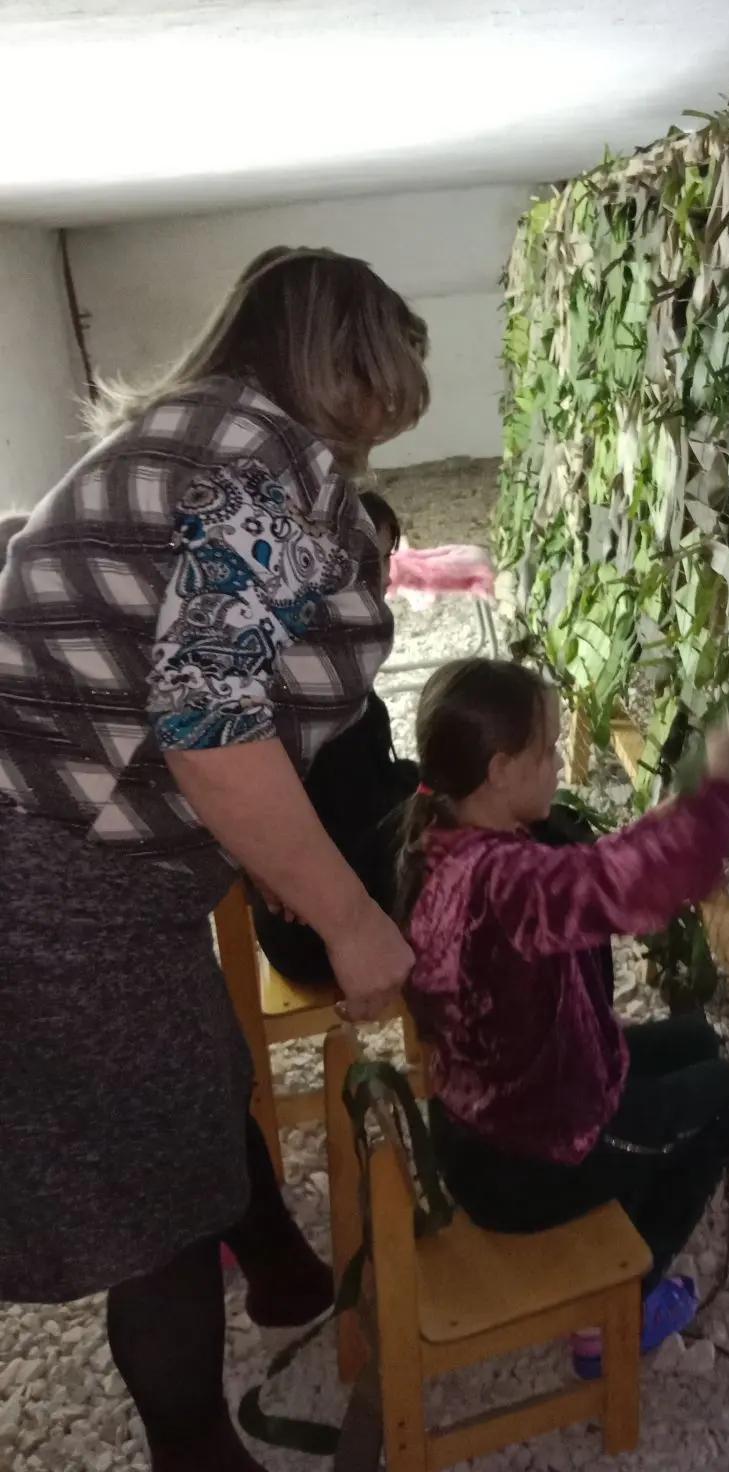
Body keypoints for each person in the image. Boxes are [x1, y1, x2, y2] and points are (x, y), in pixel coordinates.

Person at [0, 247, 428, 1471]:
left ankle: (280, 1267)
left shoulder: (188, 430)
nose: (401, 404)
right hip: (63, 876)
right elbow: (209, 721)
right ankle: (193, 1448)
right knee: (157, 1201)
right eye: (397, 368)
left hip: (66, 851)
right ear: (348, 360)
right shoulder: (261, 461)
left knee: (194, 1078)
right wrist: (350, 916)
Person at [399, 658, 729, 1375]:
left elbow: (591, 874)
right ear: (500, 771)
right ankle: (616, 1312)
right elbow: (617, 884)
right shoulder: (504, 882)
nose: (559, 762)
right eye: (548, 750)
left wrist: (664, 817)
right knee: (727, 1096)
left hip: (483, 1121)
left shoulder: (445, 838)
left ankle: (626, 1199)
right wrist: (718, 785)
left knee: (695, 1038)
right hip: (528, 1161)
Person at [250, 490, 418, 983]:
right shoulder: (307, 681)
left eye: (385, 558)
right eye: (372, 560)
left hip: (330, 901)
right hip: (323, 930)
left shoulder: (315, 644)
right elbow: (349, 823)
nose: (385, 576)